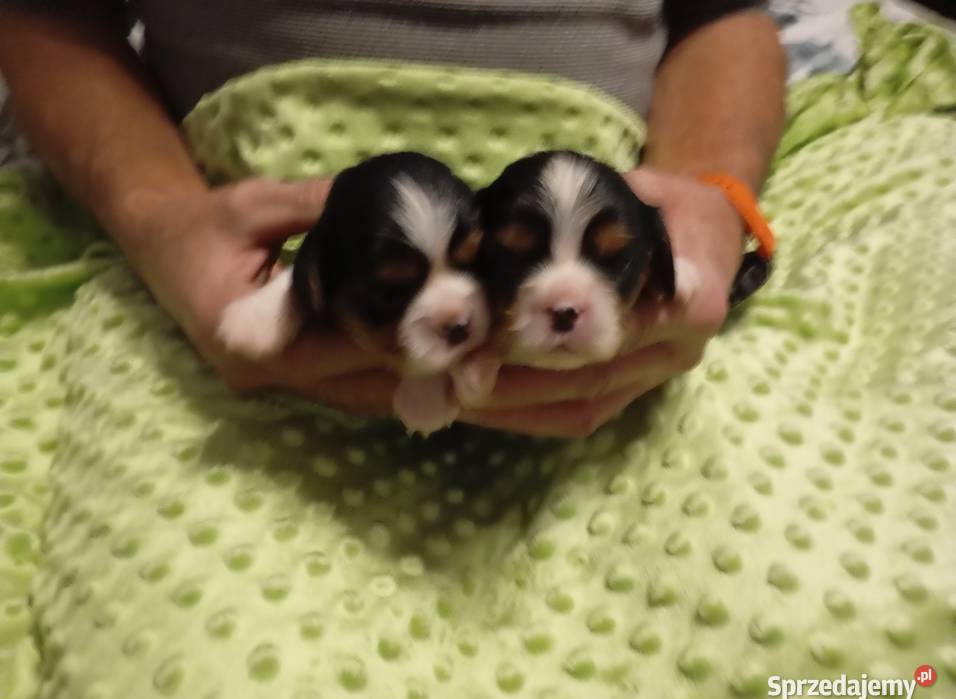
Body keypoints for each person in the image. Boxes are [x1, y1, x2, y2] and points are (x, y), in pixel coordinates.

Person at [0, 1, 786, 438]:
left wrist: (713, 198)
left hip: (655, 328)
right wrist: (159, 215)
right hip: (206, 277)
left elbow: (722, 13)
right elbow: (46, 14)